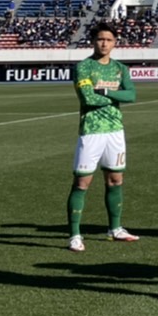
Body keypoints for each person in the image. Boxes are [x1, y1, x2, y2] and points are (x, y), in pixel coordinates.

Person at [66, 22, 139, 251]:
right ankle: (74, 235)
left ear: (115, 42)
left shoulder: (120, 69)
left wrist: (106, 91)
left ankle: (115, 229)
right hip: (91, 131)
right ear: (93, 41)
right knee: (82, 182)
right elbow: (88, 98)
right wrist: (116, 96)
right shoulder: (84, 67)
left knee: (115, 180)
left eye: (108, 40)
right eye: (100, 39)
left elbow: (132, 95)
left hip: (115, 131)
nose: (104, 43)